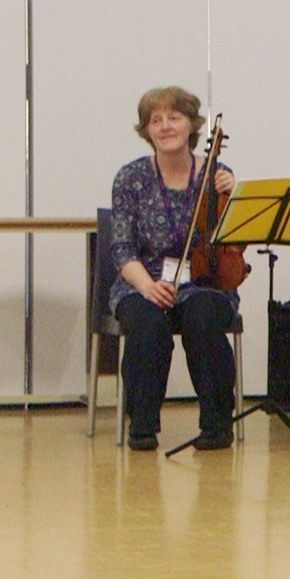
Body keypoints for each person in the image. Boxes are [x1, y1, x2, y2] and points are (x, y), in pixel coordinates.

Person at [109, 86, 239, 452]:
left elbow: (234, 242)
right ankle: (142, 426)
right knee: (148, 324)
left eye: (174, 117)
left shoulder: (217, 175)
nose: (165, 126)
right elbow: (121, 248)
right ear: (147, 130)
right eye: (156, 120)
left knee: (203, 316)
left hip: (203, 280)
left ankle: (217, 425)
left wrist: (234, 195)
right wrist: (148, 287)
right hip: (143, 281)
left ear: (191, 125)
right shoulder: (130, 178)